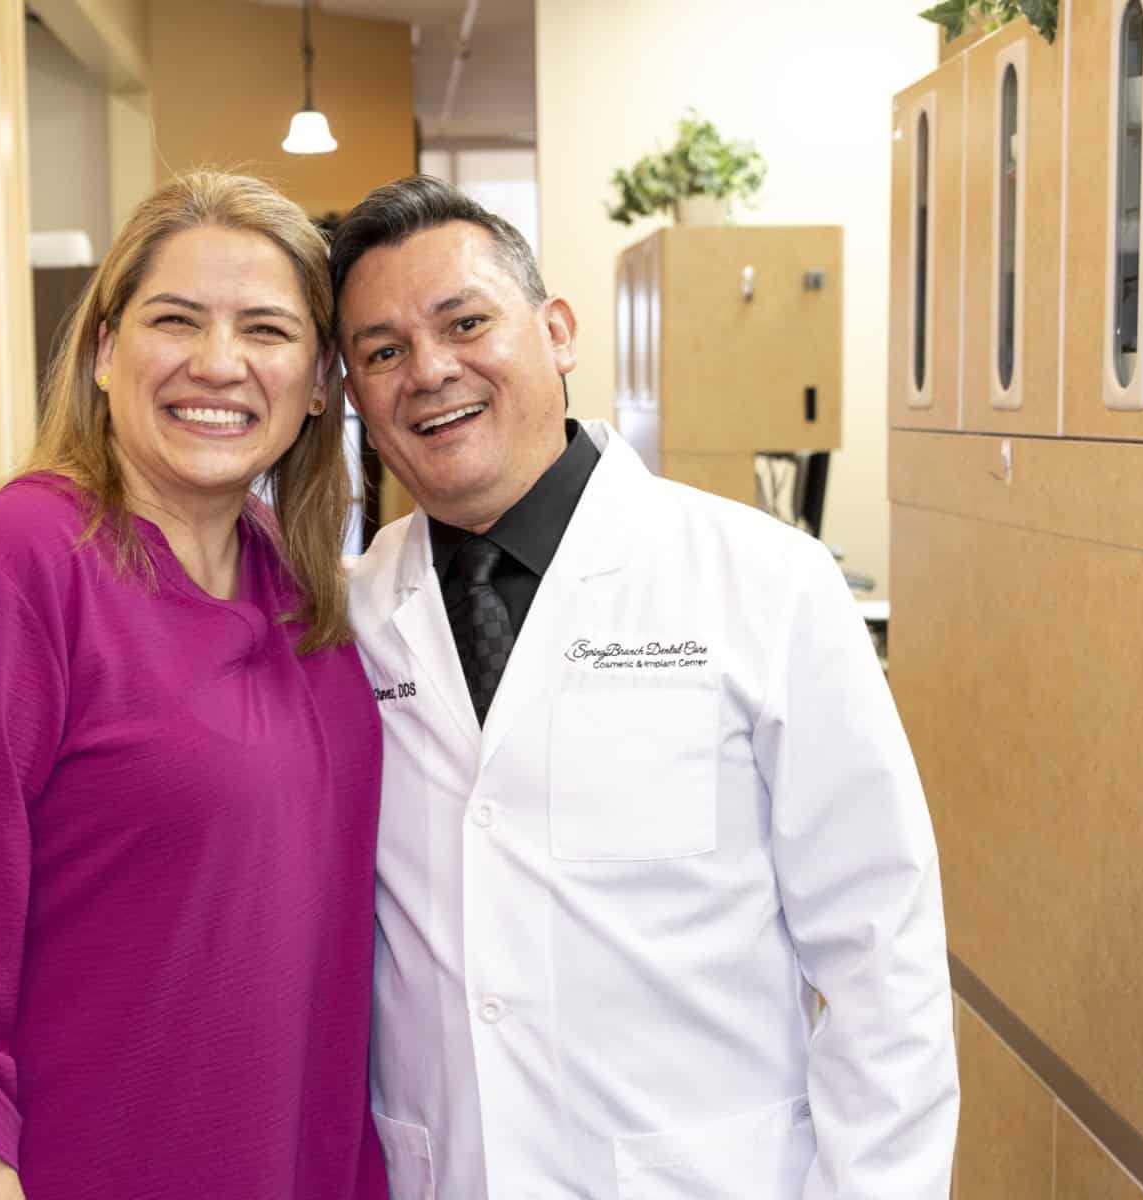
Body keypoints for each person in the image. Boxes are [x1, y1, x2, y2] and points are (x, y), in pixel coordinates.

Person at [332, 176, 958, 1199]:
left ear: (560, 331)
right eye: (384, 351)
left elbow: (880, 956)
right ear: (355, 395)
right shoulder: (349, 619)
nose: (431, 370)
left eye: (467, 322)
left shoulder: (764, 582)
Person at [0, 171, 389, 1200]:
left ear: (318, 383)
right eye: (176, 319)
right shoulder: (10, 571)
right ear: (103, 351)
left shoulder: (303, 591)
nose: (217, 363)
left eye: (266, 328)